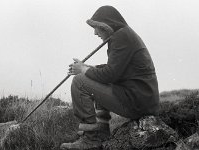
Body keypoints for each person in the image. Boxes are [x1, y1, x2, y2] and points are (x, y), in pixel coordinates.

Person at [60, 5, 159, 150]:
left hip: (136, 103)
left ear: (106, 27)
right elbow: (115, 69)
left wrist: (83, 70)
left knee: (79, 81)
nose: (95, 33)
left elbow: (109, 75)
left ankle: (91, 139)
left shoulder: (121, 37)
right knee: (91, 78)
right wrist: (87, 68)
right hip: (141, 100)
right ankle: (101, 133)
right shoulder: (124, 35)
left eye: (97, 27)